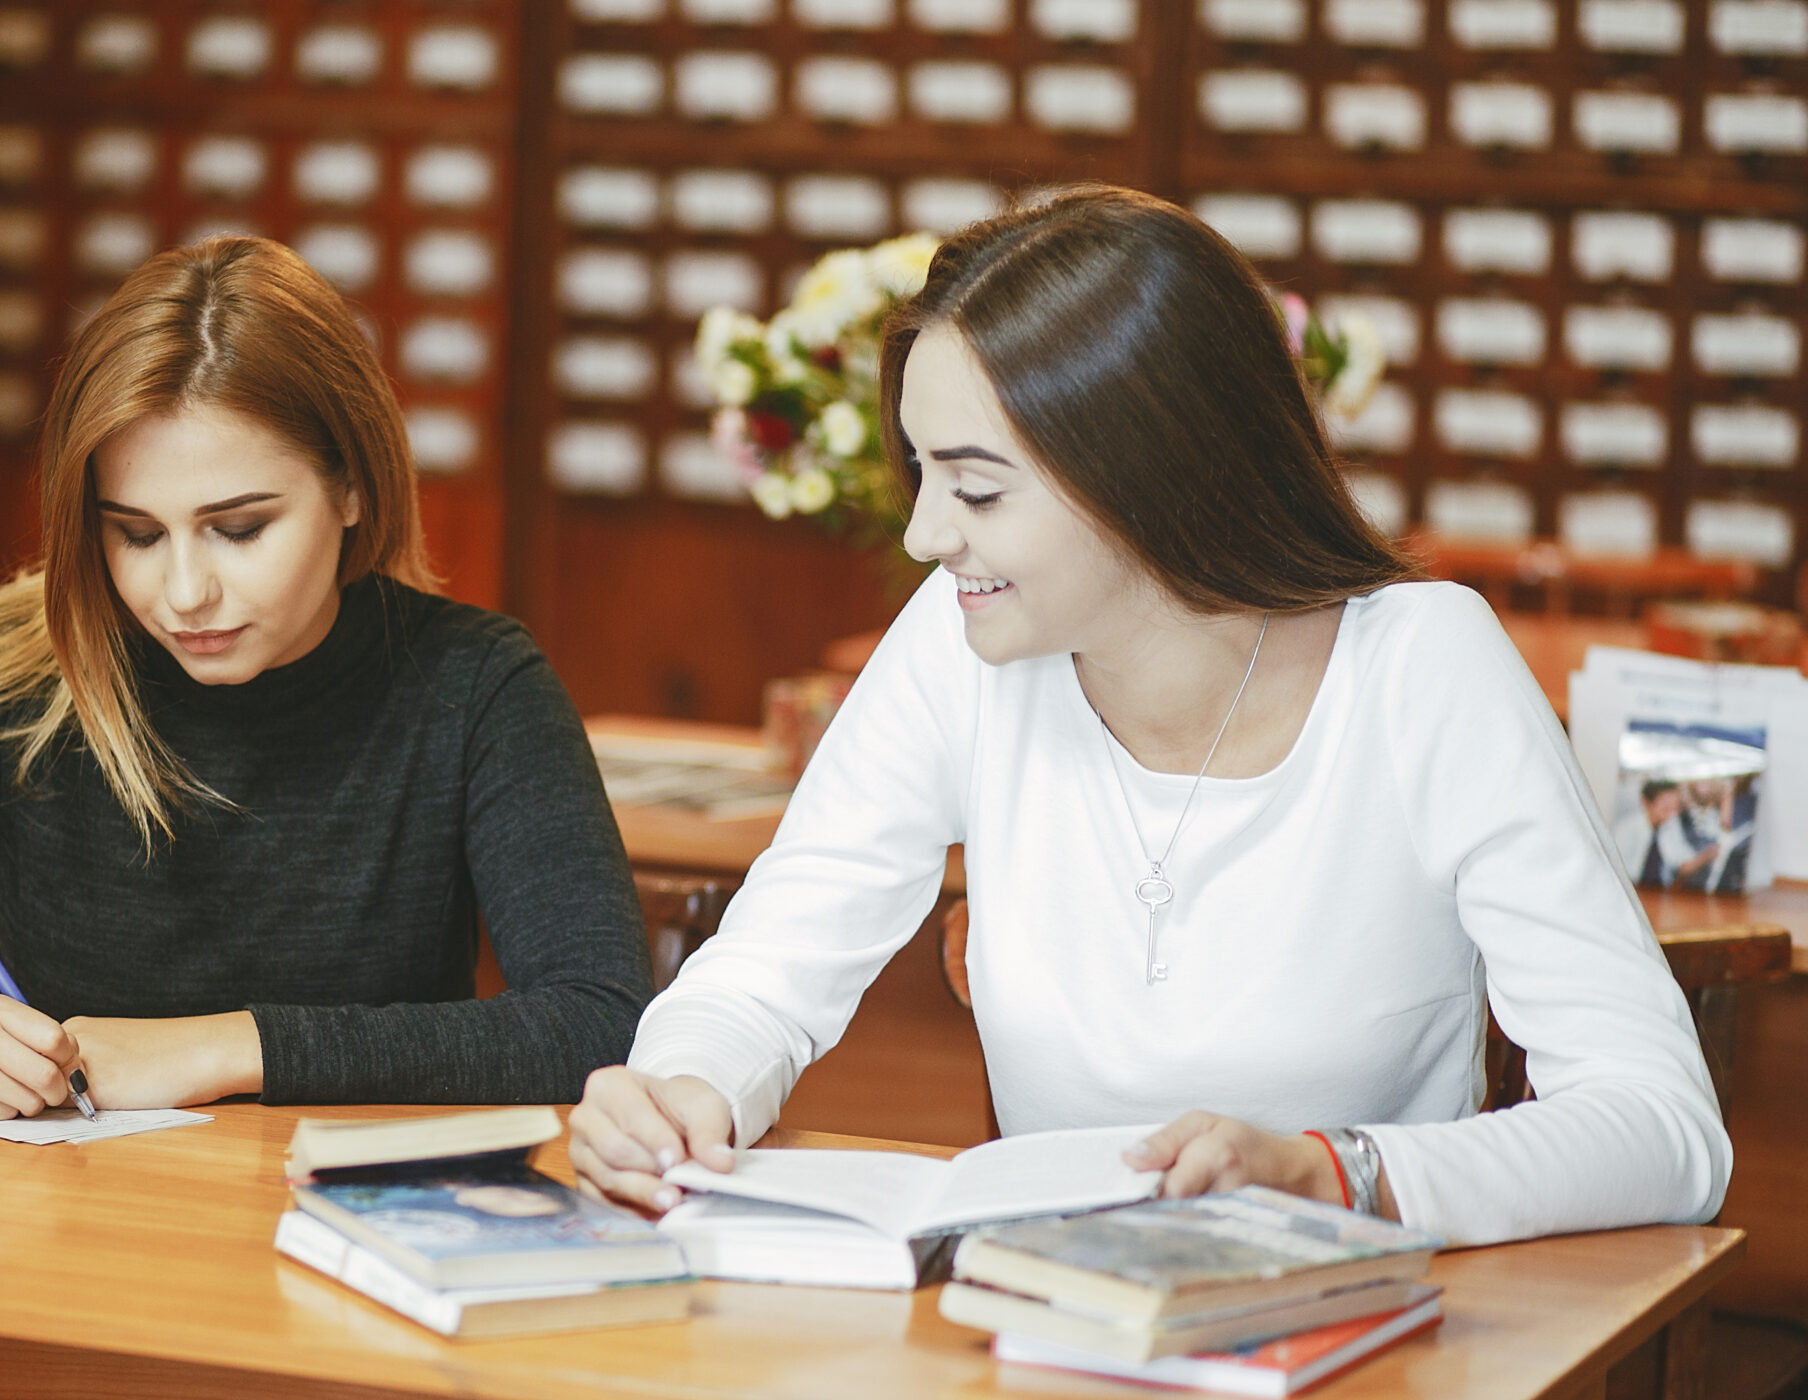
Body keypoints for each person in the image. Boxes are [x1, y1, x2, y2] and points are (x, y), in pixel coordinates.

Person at [570, 187, 1729, 1248]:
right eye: (920, 474)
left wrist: (1334, 1173)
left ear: (1147, 475)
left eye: (976, 488)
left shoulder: (1423, 670)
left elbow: (1662, 1127)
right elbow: (769, 969)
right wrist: (683, 1090)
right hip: (1043, 1321)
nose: (928, 534)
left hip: (1367, 1356)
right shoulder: (962, 645)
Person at [0, 236, 650, 1116]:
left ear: (353, 486)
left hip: (344, 1245)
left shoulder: (478, 687)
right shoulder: (13, 673)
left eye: (239, 529)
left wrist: (225, 1049)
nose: (186, 591)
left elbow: (597, 1019)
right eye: (137, 534)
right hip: (59, 1240)